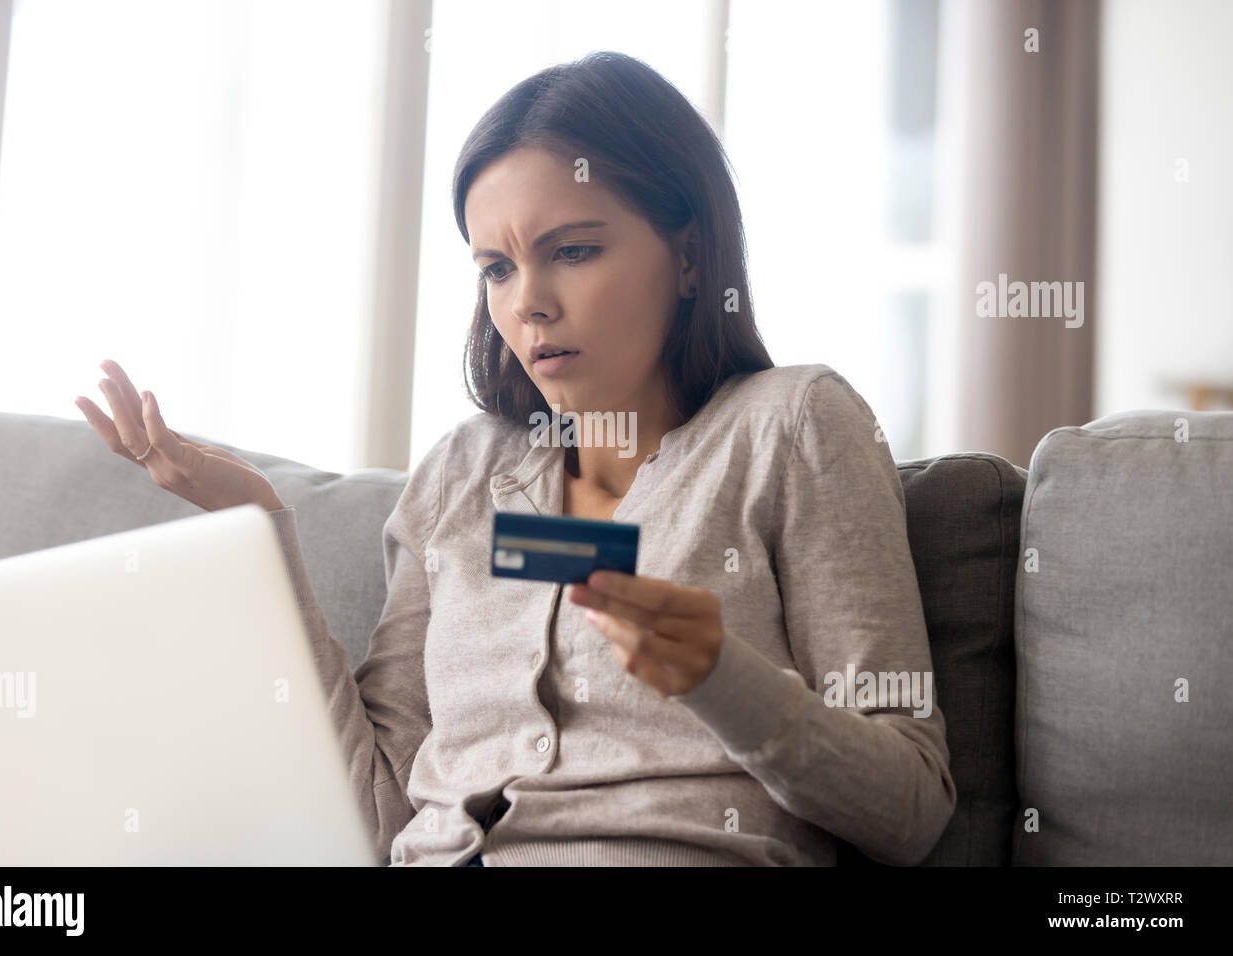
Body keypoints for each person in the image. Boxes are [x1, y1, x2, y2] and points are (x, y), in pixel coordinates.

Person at [77, 50, 956, 867]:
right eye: (496, 267)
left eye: (573, 251)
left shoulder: (793, 426)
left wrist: (721, 678)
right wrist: (256, 529)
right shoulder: (461, 475)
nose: (529, 303)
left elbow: (911, 806)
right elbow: (381, 814)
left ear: (689, 257)